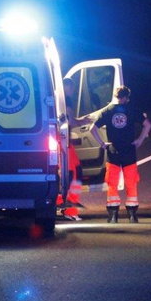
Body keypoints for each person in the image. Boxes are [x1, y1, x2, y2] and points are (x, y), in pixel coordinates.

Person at [93, 85, 151, 223]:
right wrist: (140, 140)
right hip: (129, 150)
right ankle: (132, 216)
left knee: (112, 184)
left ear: (116, 96)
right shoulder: (132, 110)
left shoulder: (107, 111)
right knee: (131, 183)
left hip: (113, 150)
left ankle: (113, 216)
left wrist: (102, 144)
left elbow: (92, 129)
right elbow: (148, 125)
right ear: (126, 97)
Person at [57, 77, 88, 220]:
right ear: (66, 87)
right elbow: (71, 121)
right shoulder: (66, 100)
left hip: (60, 141)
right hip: (65, 142)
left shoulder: (55, 97)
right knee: (74, 174)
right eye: (72, 88)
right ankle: (69, 210)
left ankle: (60, 206)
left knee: (63, 175)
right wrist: (85, 121)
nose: (73, 91)